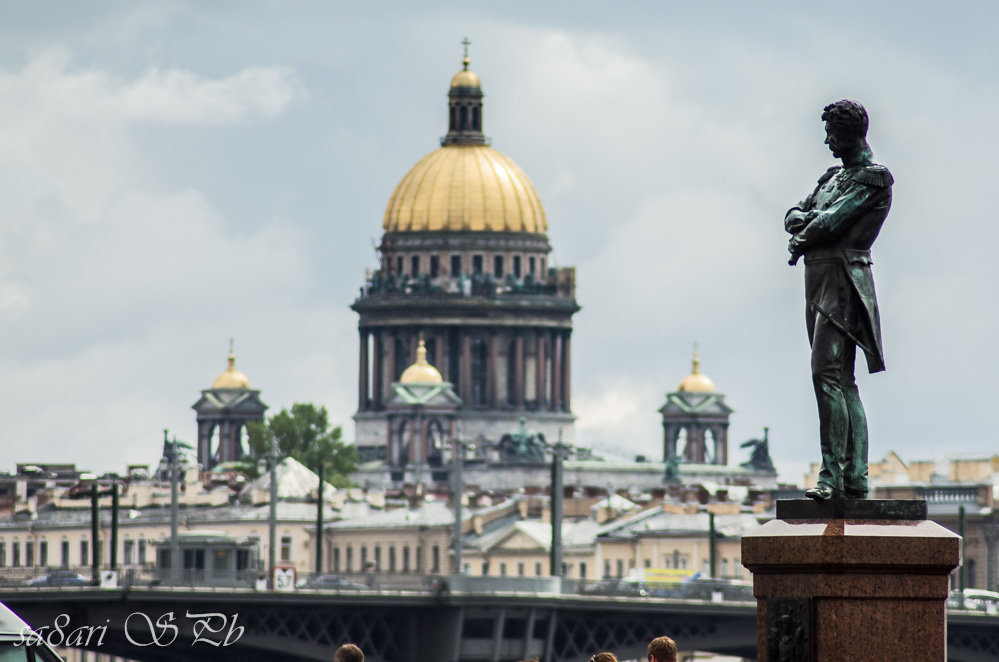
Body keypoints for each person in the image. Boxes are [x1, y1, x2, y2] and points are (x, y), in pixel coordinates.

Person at [785, 99, 892, 501]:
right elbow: (796, 212)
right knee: (838, 379)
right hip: (818, 279)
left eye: (832, 132)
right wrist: (804, 224)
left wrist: (803, 231)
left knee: (827, 375)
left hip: (845, 279)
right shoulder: (831, 177)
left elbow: (828, 222)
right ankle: (853, 477)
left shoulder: (873, 179)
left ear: (850, 133)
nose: (827, 140)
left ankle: (834, 478)